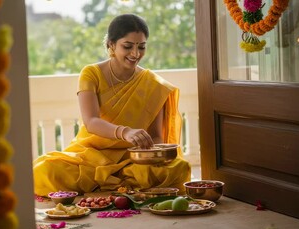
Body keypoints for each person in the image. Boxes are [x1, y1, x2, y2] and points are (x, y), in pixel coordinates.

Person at [33, 13, 191, 196]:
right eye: (127, 46)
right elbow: (91, 121)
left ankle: (110, 184)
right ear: (111, 45)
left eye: (141, 47)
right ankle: (120, 185)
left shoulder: (153, 84)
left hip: (131, 159)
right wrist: (126, 132)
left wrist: (147, 155)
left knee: (180, 168)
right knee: (44, 171)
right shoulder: (91, 73)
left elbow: (156, 137)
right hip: (91, 155)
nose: (135, 54)